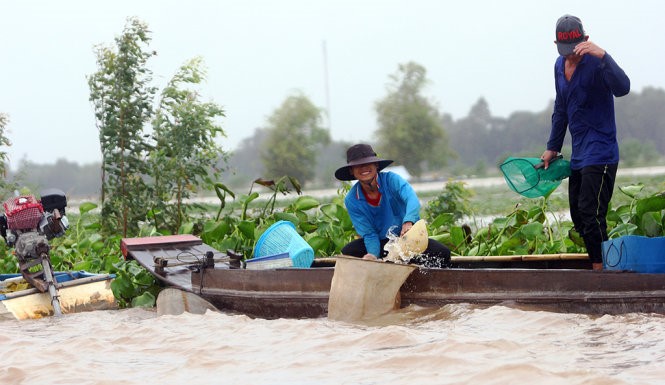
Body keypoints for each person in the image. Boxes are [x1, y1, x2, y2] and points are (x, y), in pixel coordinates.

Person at [541, 15, 630, 271]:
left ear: (586, 41)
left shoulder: (597, 63)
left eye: (576, 50)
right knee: (579, 217)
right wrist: (552, 146)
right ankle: (604, 261)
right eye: (566, 51)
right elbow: (561, 109)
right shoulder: (559, 66)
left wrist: (604, 56)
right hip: (579, 153)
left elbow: (623, 88)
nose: (572, 56)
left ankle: (602, 272)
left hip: (601, 152)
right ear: (557, 44)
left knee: (592, 214)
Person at [335, 143, 451, 268]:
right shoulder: (352, 199)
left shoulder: (392, 180)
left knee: (443, 252)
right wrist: (373, 256)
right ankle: (382, 269)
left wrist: (408, 222)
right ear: (352, 171)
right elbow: (369, 234)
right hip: (381, 244)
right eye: (357, 165)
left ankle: (414, 274)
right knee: (349, 252)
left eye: (368, 163)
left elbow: (412, 199)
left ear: (376, 165)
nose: (363, 168)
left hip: (406, 239)